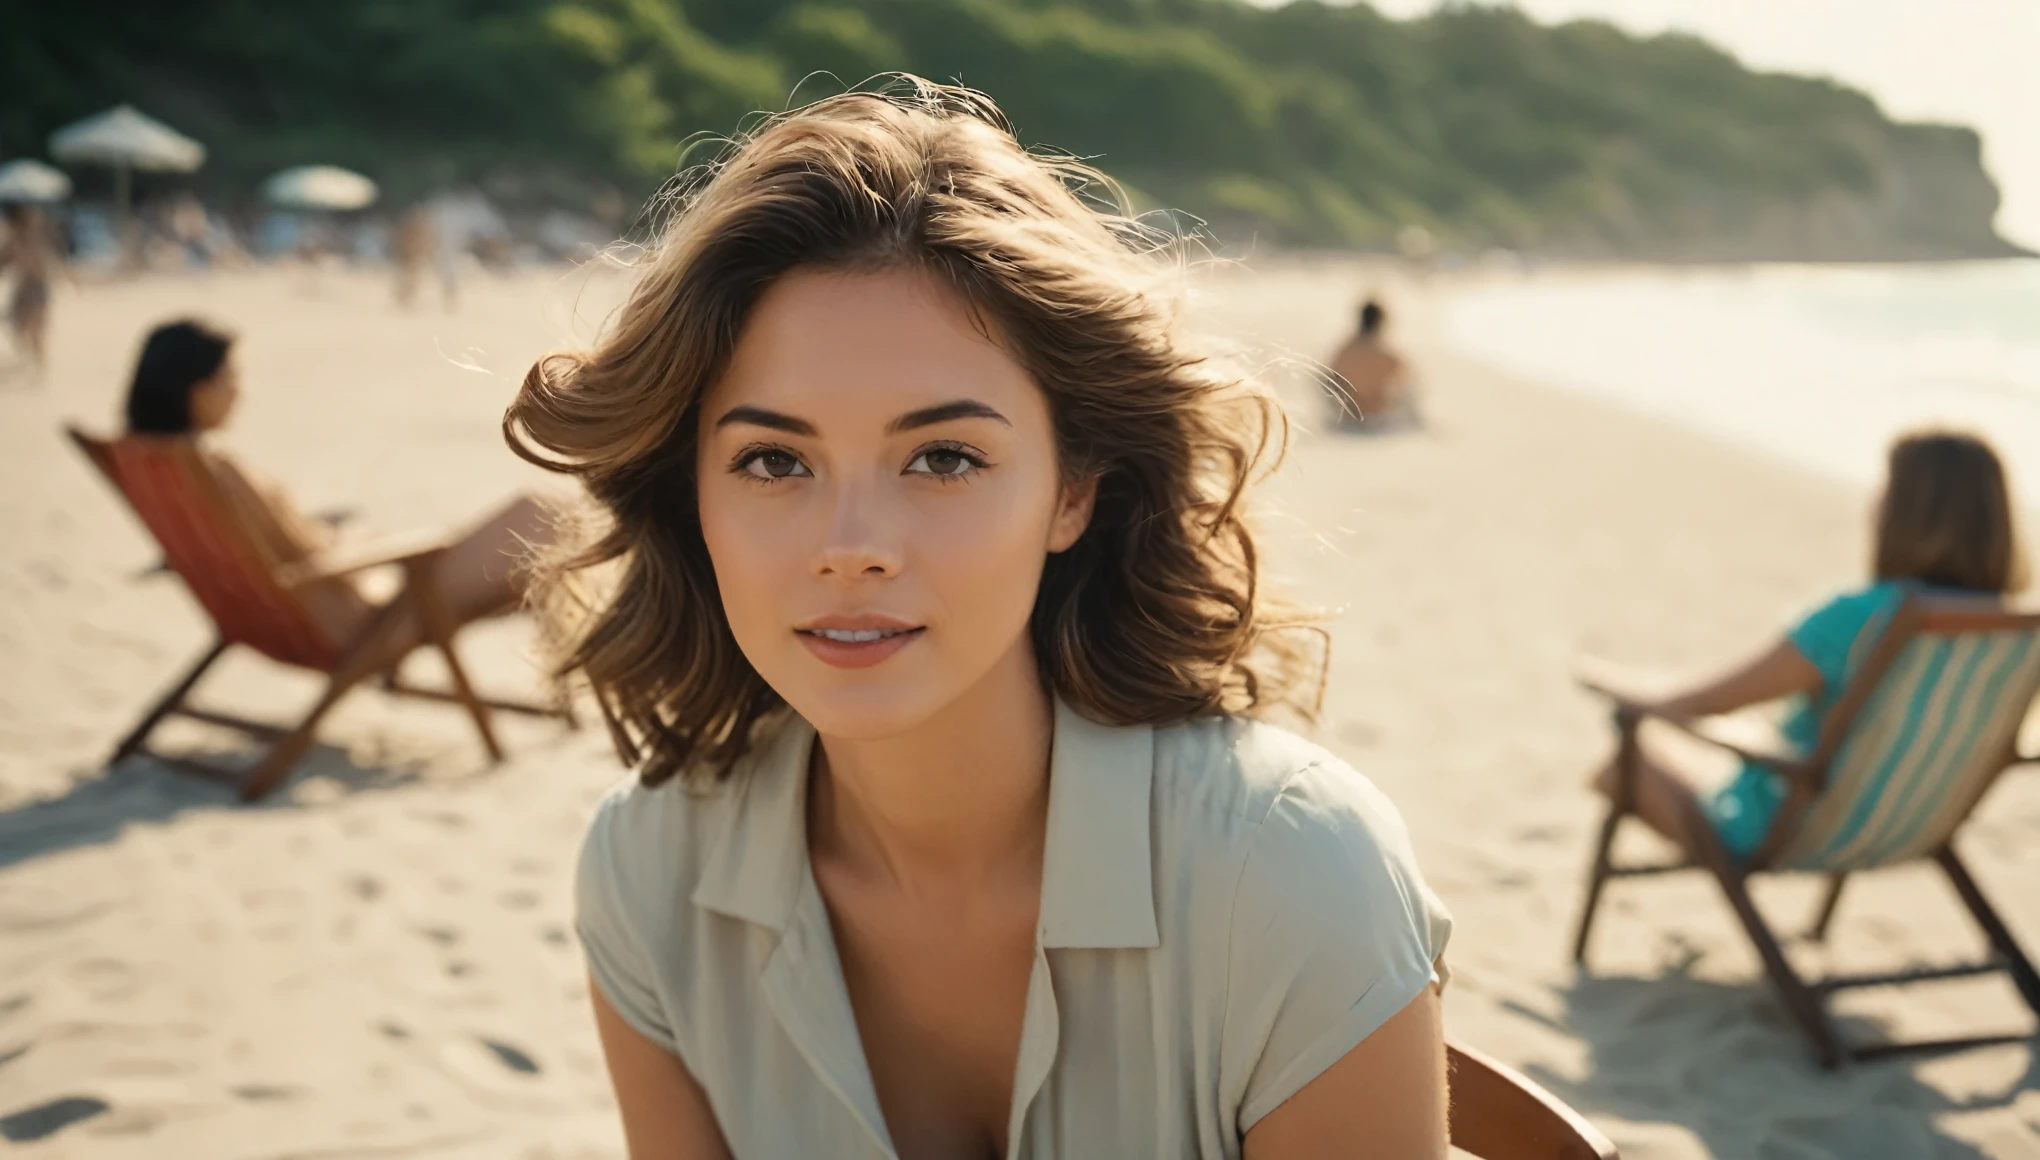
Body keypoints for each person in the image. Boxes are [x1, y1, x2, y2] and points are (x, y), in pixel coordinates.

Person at [507, 81, 1452, 1159]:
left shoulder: (1288, 875)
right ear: (695, 497)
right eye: (774, 459)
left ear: (1073, 490)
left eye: (944, 457)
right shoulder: (649, 870)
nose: (852, 543)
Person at [1590, 431, 2026, 859]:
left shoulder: (1862, 617)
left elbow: (1709, 701)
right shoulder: (2015, 630)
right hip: (1912, 830)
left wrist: (1624, 695)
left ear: (1904, 515)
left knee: (1620, 764)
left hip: (1790, 832)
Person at [121, 318, 549, 643]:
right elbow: (303, 552)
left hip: (283, 614)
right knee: (536, 516)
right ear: (195, 390)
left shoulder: (160, 463)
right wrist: (361, 553)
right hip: (349, 617)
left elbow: (271, 547)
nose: (239, 392)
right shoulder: (216, 466)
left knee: (530, 546)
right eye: (230, 379)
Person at [1326, 298, 1414, 431]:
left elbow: (1329, 376)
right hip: (1379, 416)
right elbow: (1406, 379)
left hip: (1348, 415)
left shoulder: (1345, 350)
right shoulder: (1386, 354)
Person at [0, 204, 63, 374]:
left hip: (34, 290)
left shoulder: (34, 238)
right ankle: (34, 364)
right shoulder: (20, 239)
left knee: (34, 330)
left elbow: (44, 265)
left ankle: (38, 367)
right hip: (26, 291)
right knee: (23, 328)